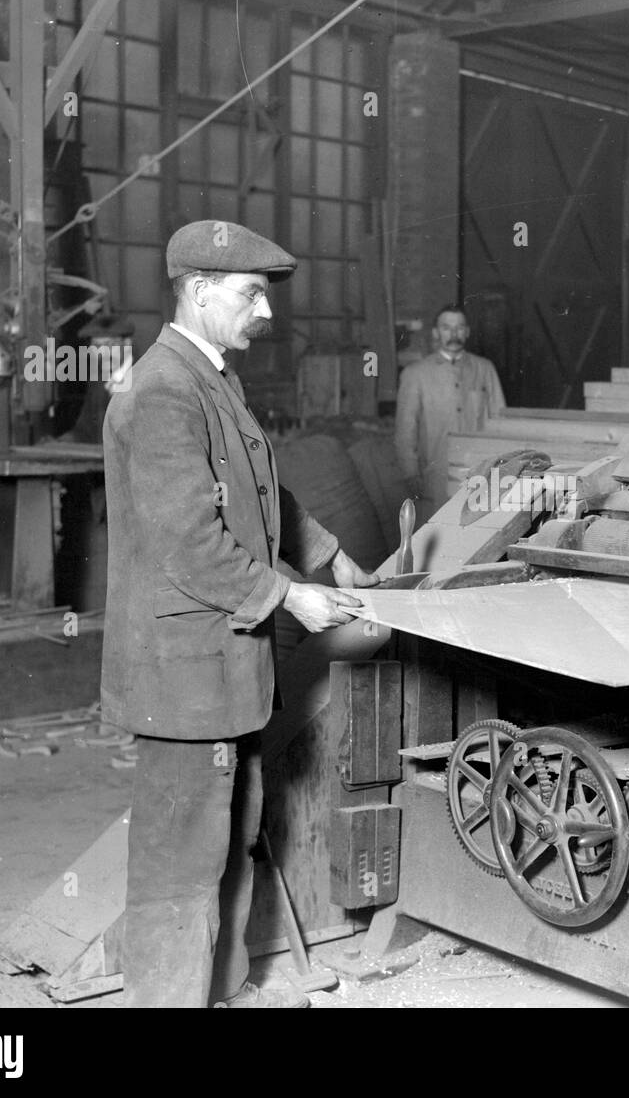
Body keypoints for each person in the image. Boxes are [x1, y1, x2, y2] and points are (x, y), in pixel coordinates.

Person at [101, 219, 379, 1008]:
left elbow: (261, 494)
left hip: (228, 668)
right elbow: (189, 542)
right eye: (251, 293)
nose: (266, 312)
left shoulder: (212, 379)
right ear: (198, 290)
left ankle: (219, 993)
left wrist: (326, 552)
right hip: (184, 676)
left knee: (232, 843)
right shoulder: (160, 392)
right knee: (178, 868)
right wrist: (292, 594)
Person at [394, 304, 506, 510]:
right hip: (434, 478)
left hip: (480, 476)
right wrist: (410, 474)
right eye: (446, 327)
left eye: (460, 327)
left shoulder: (484, 369)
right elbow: (405, 431)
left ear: (467, 331)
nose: (454, 334)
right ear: (436, 332)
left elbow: (500, 423)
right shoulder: (415, 373)